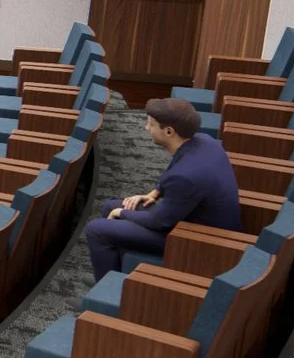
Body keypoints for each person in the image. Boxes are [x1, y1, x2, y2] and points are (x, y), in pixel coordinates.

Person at [84, 98, 243, 280]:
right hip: (186, 217)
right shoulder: (203, 141)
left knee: (96, 229)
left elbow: (160, 222)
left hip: (199, 240)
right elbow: (174, 170)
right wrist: (154, 193)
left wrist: (121, 213)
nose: (146, 128)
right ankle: (119, 274)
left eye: (151, 125)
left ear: (169, 131)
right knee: (109, 207)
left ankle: (107, 290)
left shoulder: (185, 177)